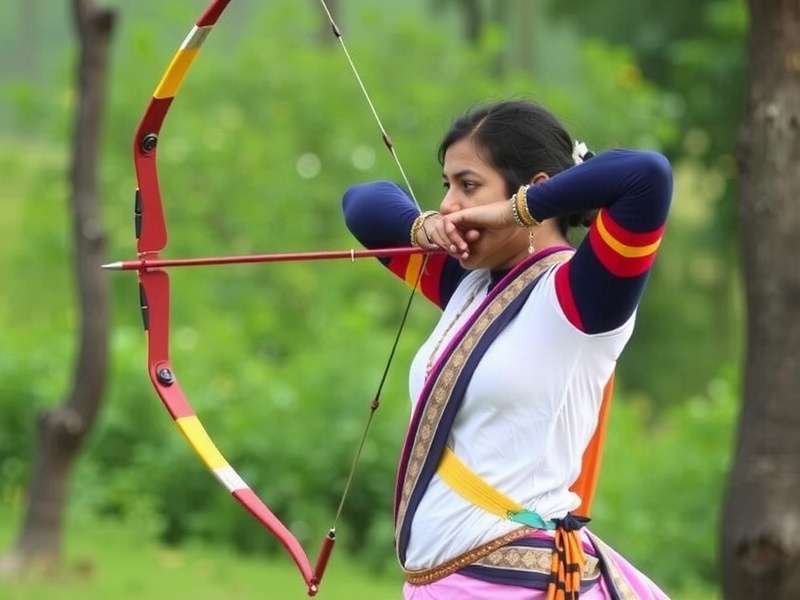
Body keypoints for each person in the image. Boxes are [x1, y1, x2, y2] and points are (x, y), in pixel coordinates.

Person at [342, 100, 672, 599]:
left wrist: (517, 210)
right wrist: (423, 227)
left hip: (516, 583)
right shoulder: (466, 285)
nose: (451, 203)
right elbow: (361, 204)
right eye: (446, 186)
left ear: (534, 191)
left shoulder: (581, 297)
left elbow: (646, 175)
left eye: (468, 185)